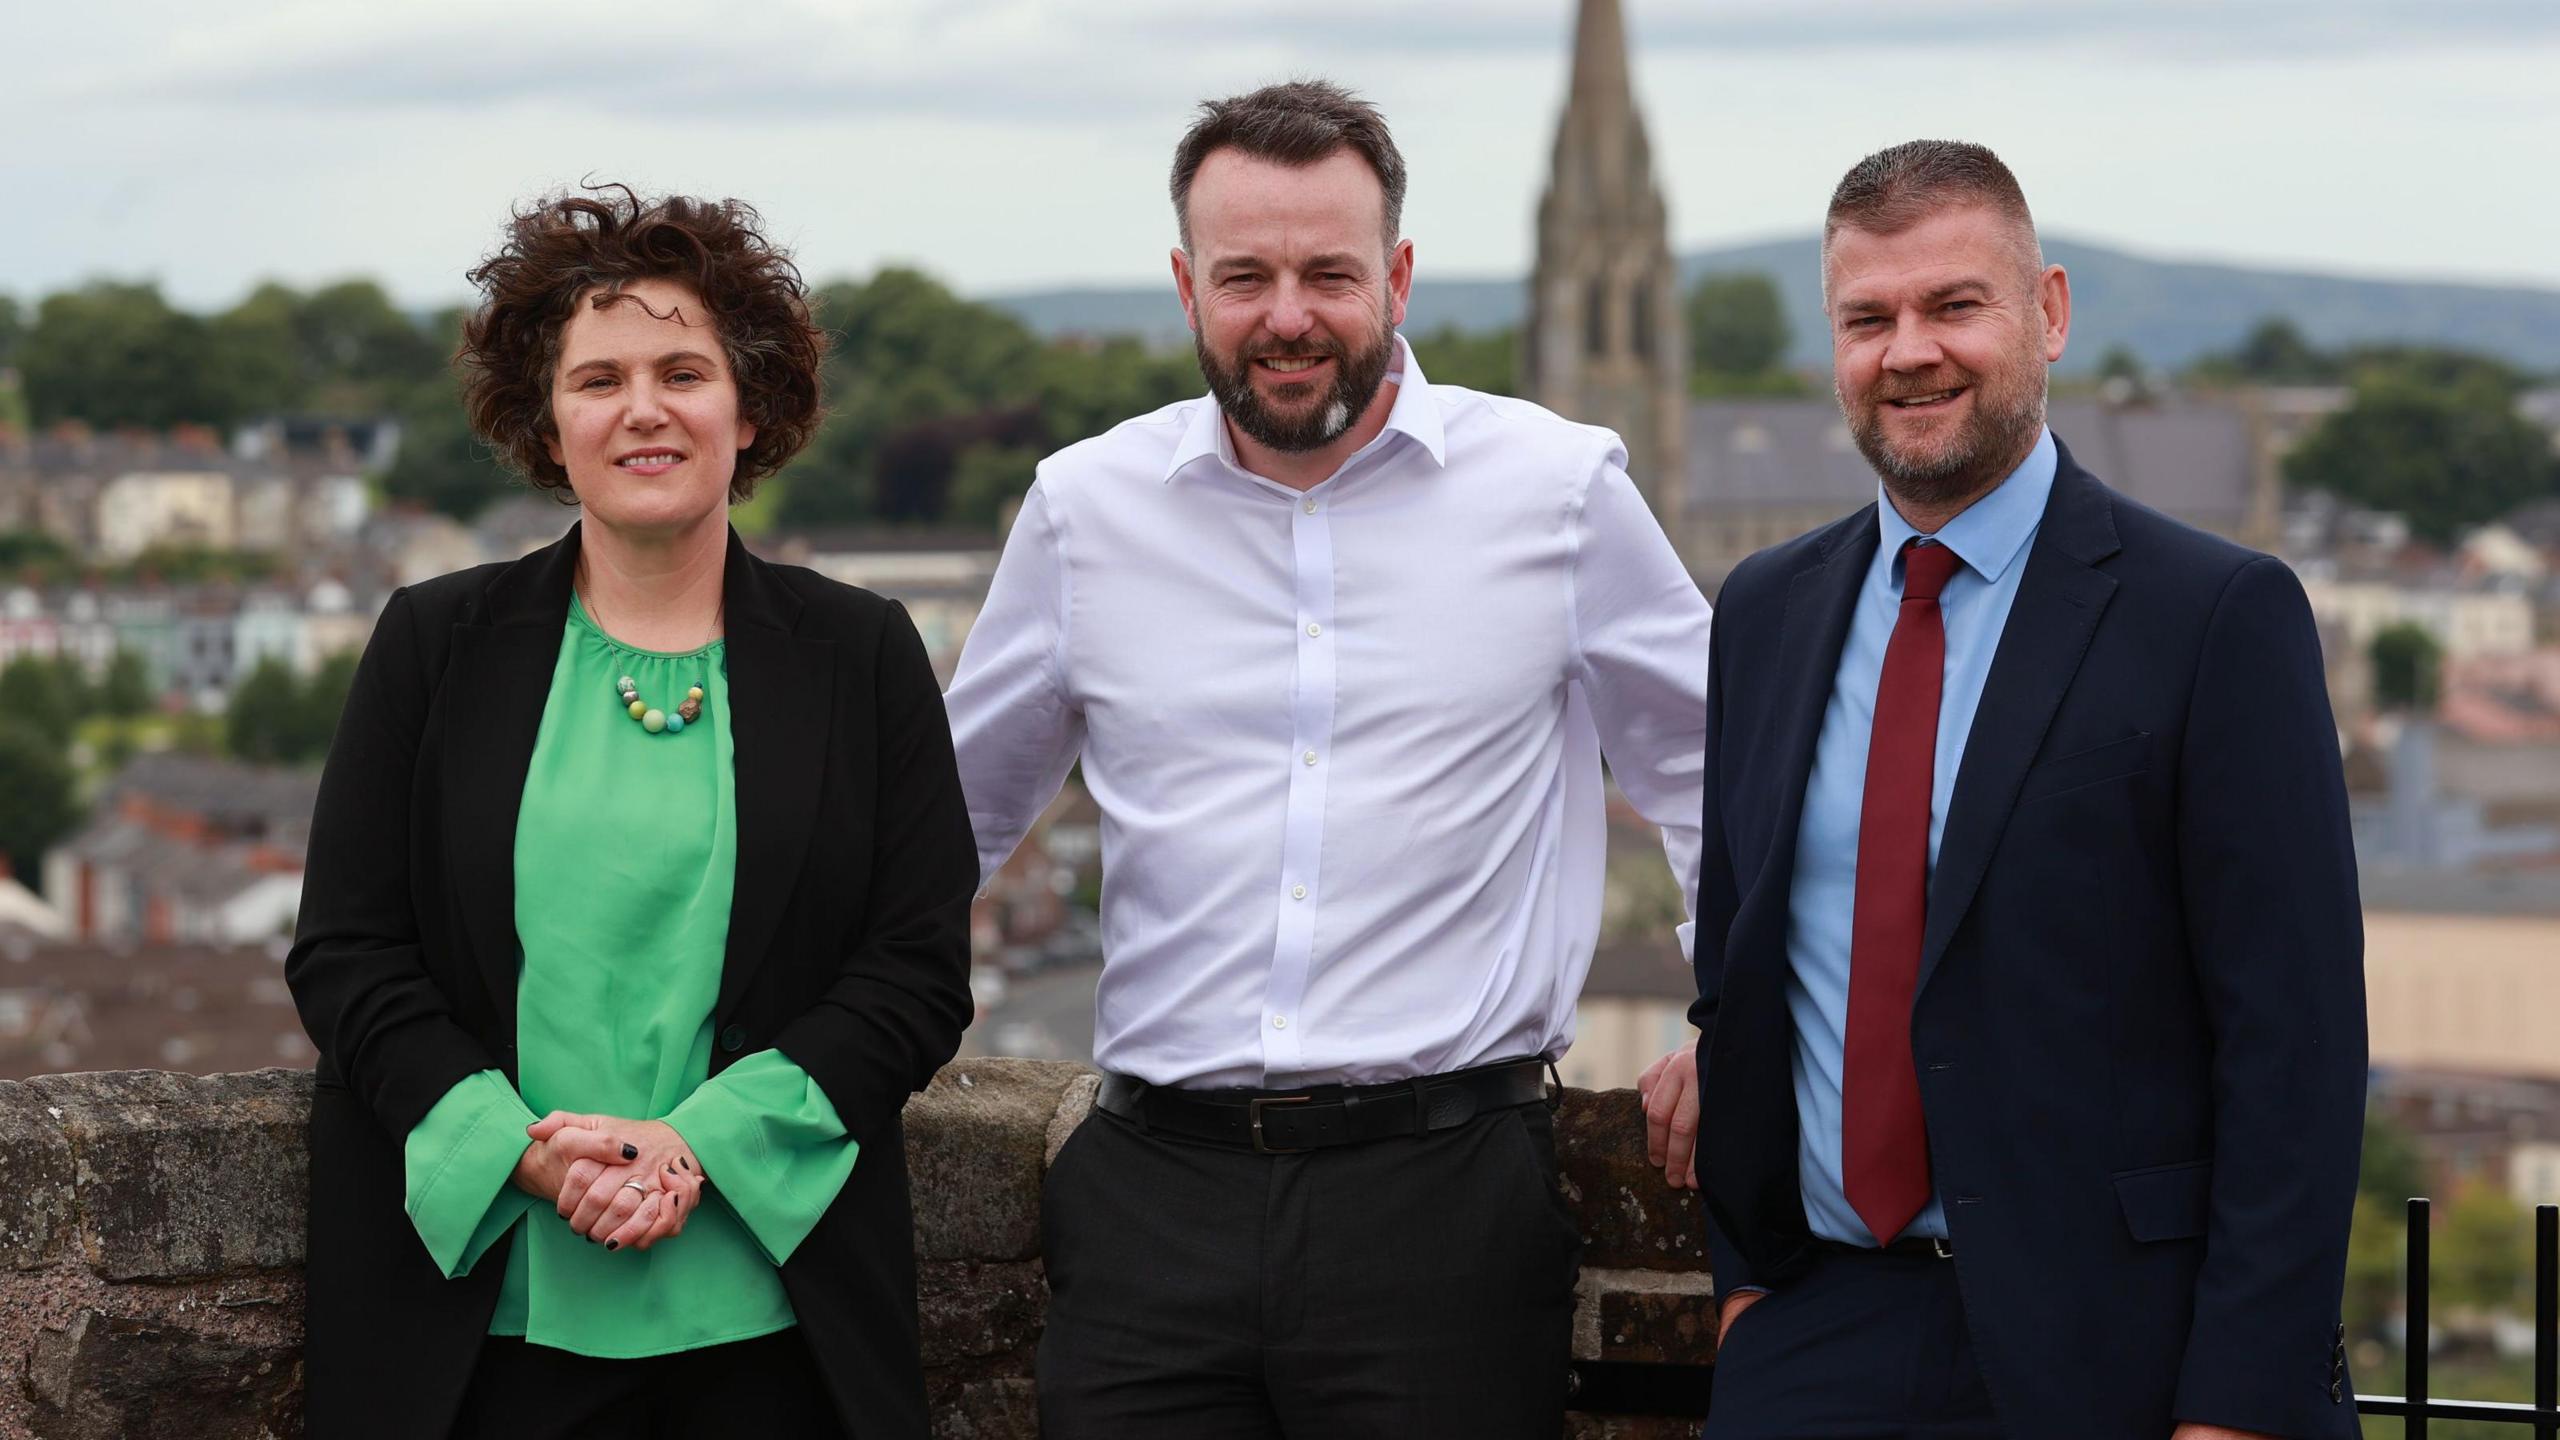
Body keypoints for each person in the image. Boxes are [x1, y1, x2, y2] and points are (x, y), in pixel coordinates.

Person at [944, 79, 1711, 1438]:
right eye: (1245, 275)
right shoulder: (1083, 511)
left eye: (1328, 273)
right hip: (1147, 1203)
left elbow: (1720, 774)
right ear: (1187, 285)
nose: (1287, 315)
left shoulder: (1561, 490)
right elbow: (944, 823)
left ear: (1399, 276)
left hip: (1446, 1205)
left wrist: (1734, 1012)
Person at [1636, 140, 2365, 1439]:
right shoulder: (1763, 612)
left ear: (2051, 312)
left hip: (2119, 1362)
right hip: (1822, 1341)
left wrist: (2239, 1409)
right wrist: (1755, 1296)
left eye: (1954, 305)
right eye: (1869, 318)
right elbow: (1747, 955)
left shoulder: (2214, 616)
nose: (1908, 351)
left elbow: (2296, 1054)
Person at [287, 186, 977, 1440]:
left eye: (683, 370)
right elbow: (348, 955)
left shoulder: (863, 654)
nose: (643, 409)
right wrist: (528, 1152)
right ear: (548, 424)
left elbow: (914, 973)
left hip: (780, 1330)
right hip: (475, 1325)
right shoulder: (431, 646)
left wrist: (693, 1147)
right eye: (598, 378)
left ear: (748, 406)